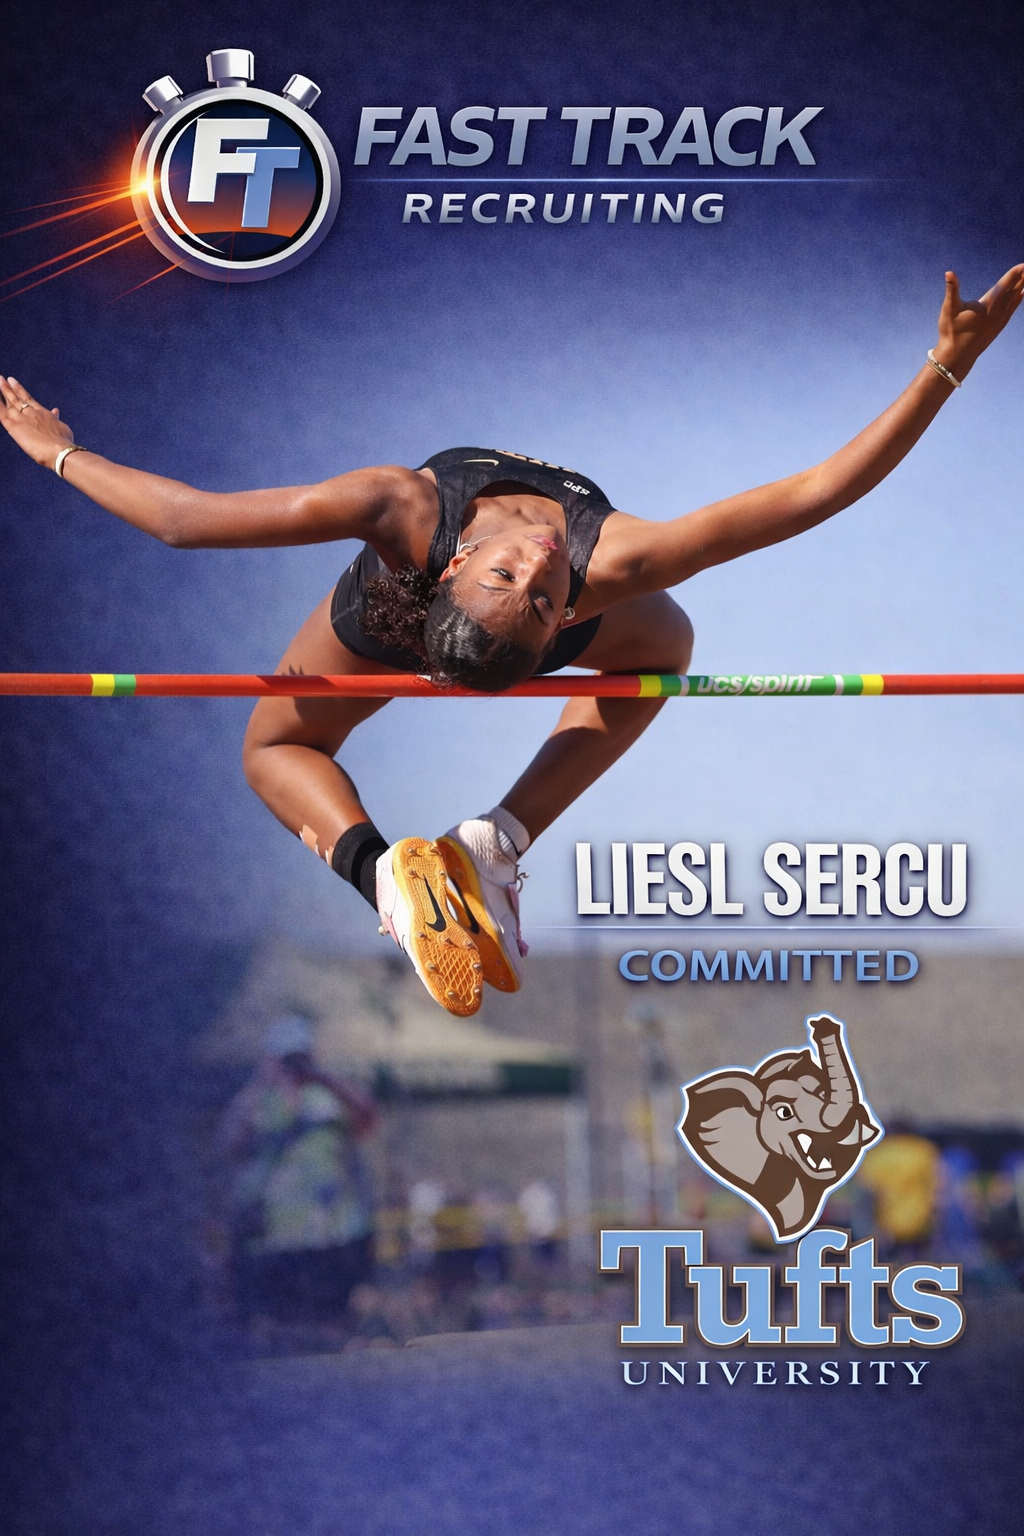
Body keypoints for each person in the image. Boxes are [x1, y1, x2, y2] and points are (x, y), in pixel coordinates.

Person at [2, 266, 1021, 1016]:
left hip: (414, 615)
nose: (537, 564)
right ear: (463, 576)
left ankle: (435, 862)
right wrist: (942, 369)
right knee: (649, 657)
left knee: (283, 746)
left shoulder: (430, 516)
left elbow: (188, 519)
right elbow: (814, 495)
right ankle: (440, 860)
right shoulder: (543, 550)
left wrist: (62, 455)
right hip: (386, 624)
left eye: (529, 590)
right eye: (525, 588)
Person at [216, 1014, 377, 1327]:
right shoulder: (258, 1101)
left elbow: (367, 1118)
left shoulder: (329, 1096)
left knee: (328, 1314)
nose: (295, 1066)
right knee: (277, 1317)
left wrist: (325, 1077)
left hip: (329, 1230)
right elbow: (228, 1143)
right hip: (272, 1233)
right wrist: (262, 1080)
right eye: (288, 1059)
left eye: (300, 1057)